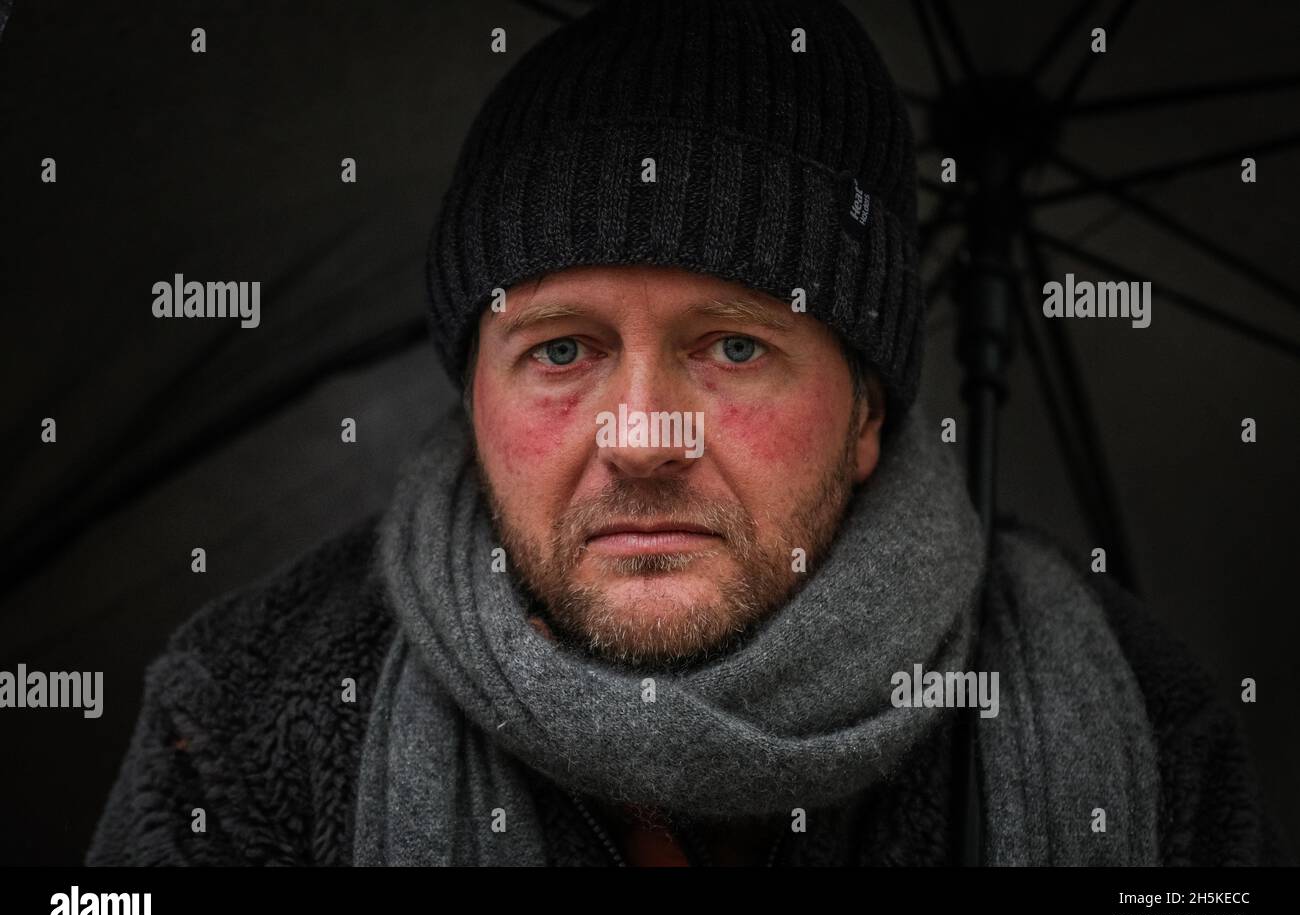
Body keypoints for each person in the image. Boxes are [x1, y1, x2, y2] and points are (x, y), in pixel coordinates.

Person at [86, 0, 1289, 867]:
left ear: (867, 410)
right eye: (561, 348)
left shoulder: (1145, 721)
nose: (644, 434)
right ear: (474, 398)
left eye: (734, 346)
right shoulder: (245, 715)